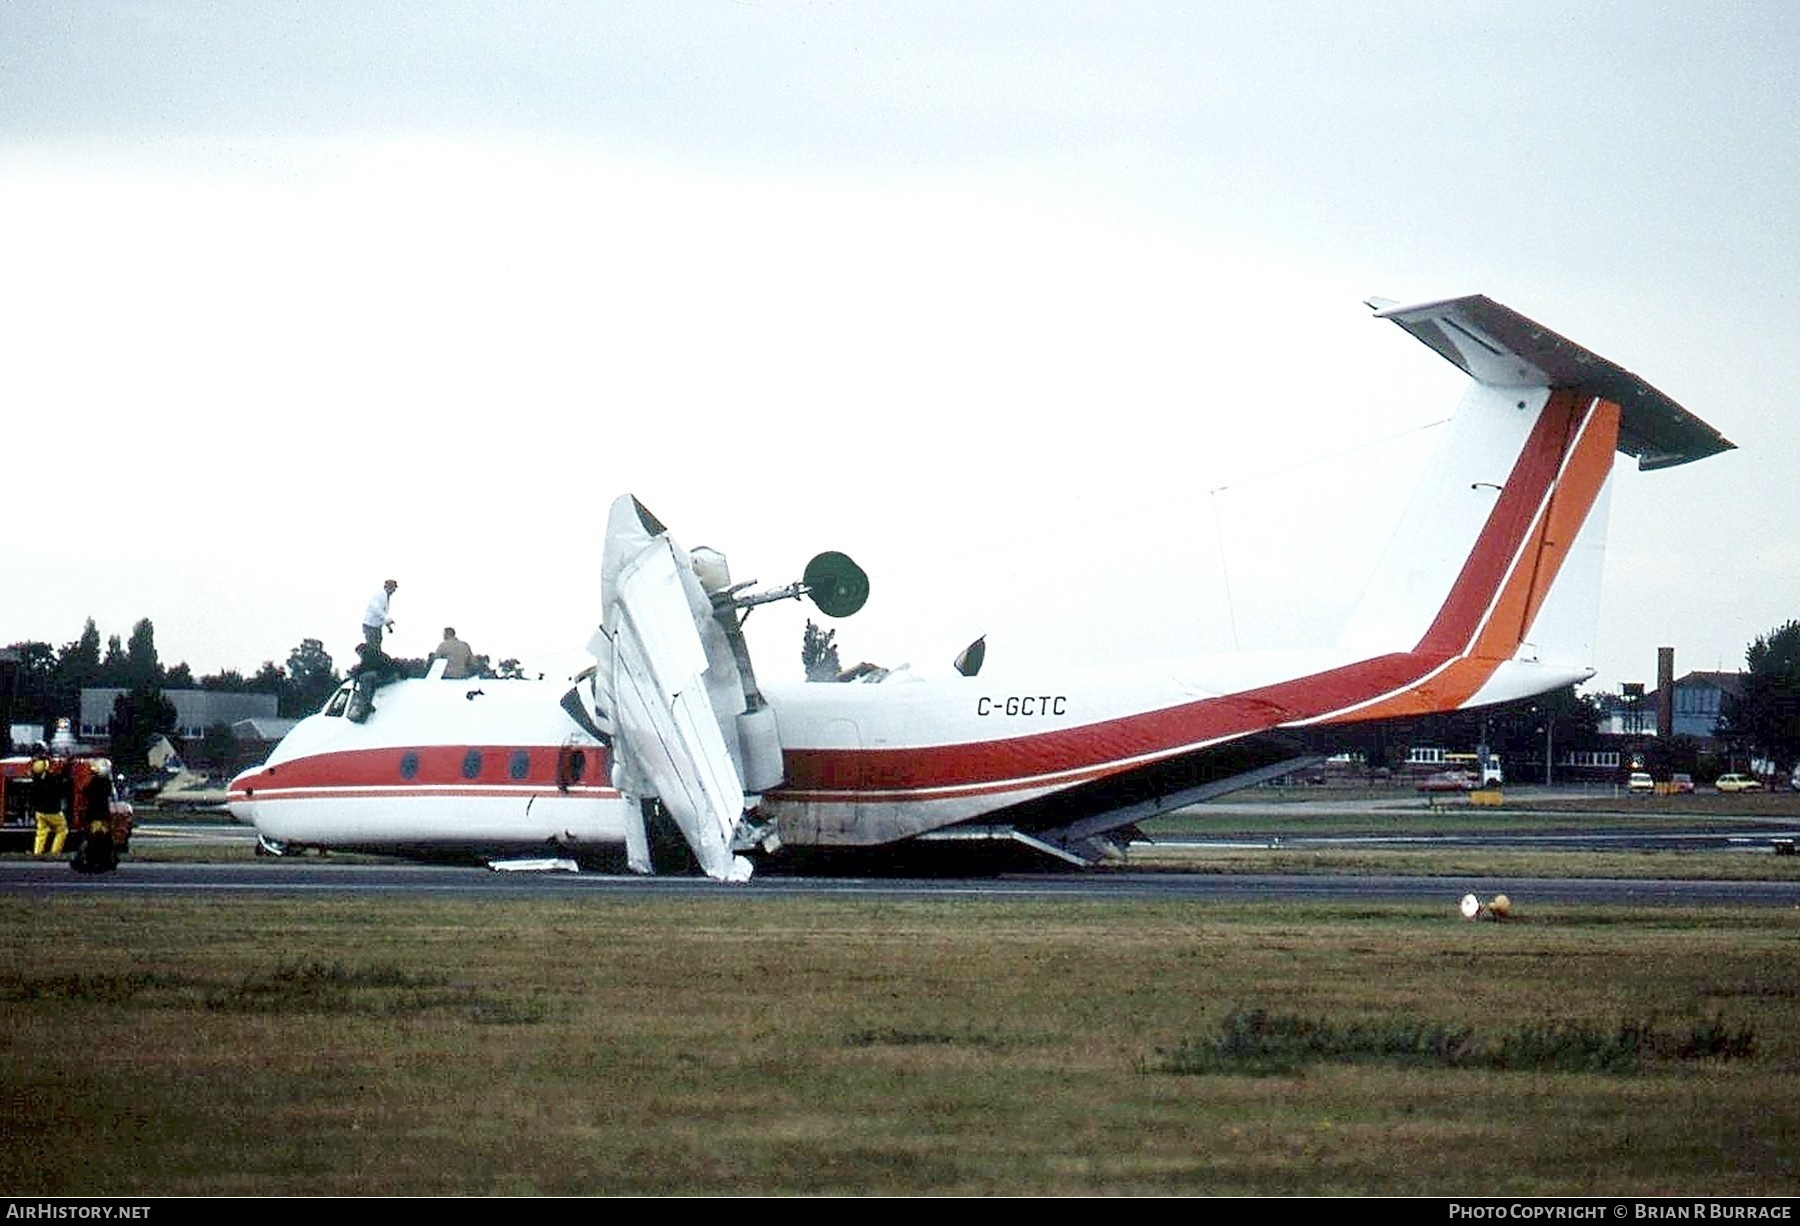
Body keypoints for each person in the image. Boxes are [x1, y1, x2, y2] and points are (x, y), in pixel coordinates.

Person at [28, 744, 68, 858]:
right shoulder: (51, 780)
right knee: (62, 830)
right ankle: (55, 853)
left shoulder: (35, 780)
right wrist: (66, 765)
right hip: (53, 811)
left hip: (39, 812)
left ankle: (37, 853)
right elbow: (60, 780)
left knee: (41, 833)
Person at [362, 579, 398, 649]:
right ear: (389, 587)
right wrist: (387, 619)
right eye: (394, 588)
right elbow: (376, 610)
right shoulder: (379, 595)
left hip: (377, 627)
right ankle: (370, 659)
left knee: (377, 645)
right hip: (370, 625)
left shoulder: (386, 596)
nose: (394, 591)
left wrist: (388, 625)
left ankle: (374, 659)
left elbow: (383, 613)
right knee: (373, 647)